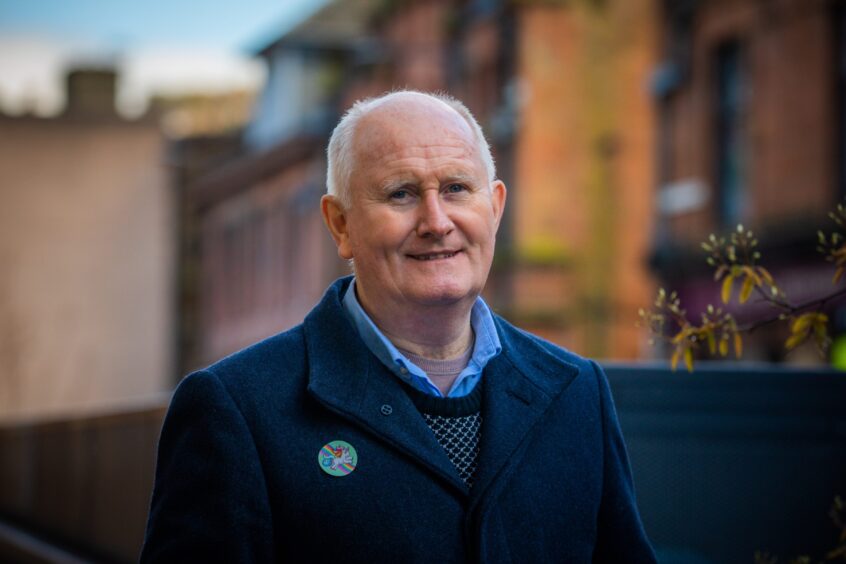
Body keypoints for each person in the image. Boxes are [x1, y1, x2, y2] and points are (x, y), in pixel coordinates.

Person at [141, 91, 656, 563]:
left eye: (456, 188)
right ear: (340, 225)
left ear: (495, 207)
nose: (436, 221)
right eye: (401, 194)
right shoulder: (237, 409)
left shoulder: (575, 391)